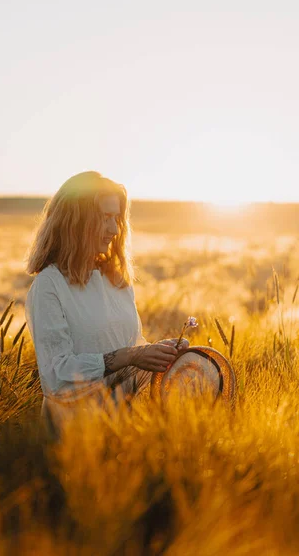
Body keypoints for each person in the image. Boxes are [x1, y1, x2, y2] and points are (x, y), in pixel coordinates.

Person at [25, 171, 188, 433]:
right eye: (103, 218)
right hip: (72, 438)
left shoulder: (116, 281)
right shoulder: (49, 286)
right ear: (75, 222)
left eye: (116, 219)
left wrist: (159, 354)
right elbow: (56, 378)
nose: (113, 230)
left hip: (123, 431)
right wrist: (131, 355)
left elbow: (130, 353)